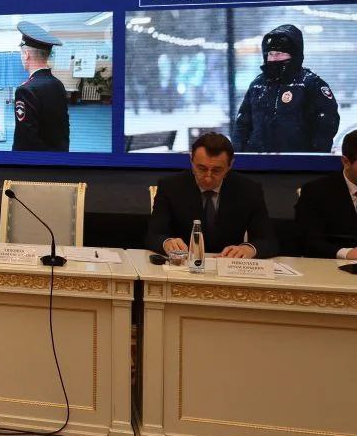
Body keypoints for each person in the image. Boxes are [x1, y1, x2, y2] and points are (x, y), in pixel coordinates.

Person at [146, 132, 277, 258]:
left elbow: (268, 241)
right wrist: (167, 243)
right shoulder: (170, 186)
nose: (208, 178)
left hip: (227, 264)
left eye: (217, 170)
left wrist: (249, 249)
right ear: (191, 161)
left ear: (230, 165)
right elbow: (153, 235)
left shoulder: (249, 190)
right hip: (183, 263)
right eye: (201, 169)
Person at [232, 24, 339, 153]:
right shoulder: (257, 85)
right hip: (257, 161)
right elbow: (242, 124)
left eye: (279, 53)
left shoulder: (311, 84)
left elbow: (327, 124)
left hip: (299, 162)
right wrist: (239, 156)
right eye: (270, 54)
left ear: (294, 55)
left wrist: (314, 157)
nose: (274, 58)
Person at [295, 129, 357, 260]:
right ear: (346, 162)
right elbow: (308, 241)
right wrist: (346, 253)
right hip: (333, 267)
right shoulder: (316, 191)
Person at [12, 21, 70, 152]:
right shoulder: (58, 84)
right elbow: (63, 128)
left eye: (21, 53)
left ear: (26, 54)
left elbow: (25, 139)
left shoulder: (25, 90)